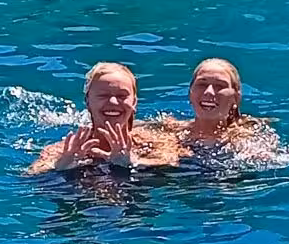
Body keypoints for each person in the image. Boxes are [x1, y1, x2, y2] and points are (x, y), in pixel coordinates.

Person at [29, 63, 178, 174]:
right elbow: (30, 175)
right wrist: (60, 166)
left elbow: (172, 164)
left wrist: (134, 162)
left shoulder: (156, 142)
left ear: (134, 102)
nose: (113, 102)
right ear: (88, 101)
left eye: (121, 96)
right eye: (103, 95)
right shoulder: (64, 149)